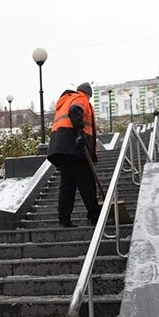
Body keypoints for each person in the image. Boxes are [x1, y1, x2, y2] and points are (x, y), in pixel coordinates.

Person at [46, 82, 102, 227]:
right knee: (86, 182)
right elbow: (76, 111)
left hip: (61, 148)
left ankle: (64, 219)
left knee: (68, 185)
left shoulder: (66, 99)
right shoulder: (80, 98)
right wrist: (80, 133)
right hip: (74, 147)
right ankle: (95, 216)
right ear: (88, 94)